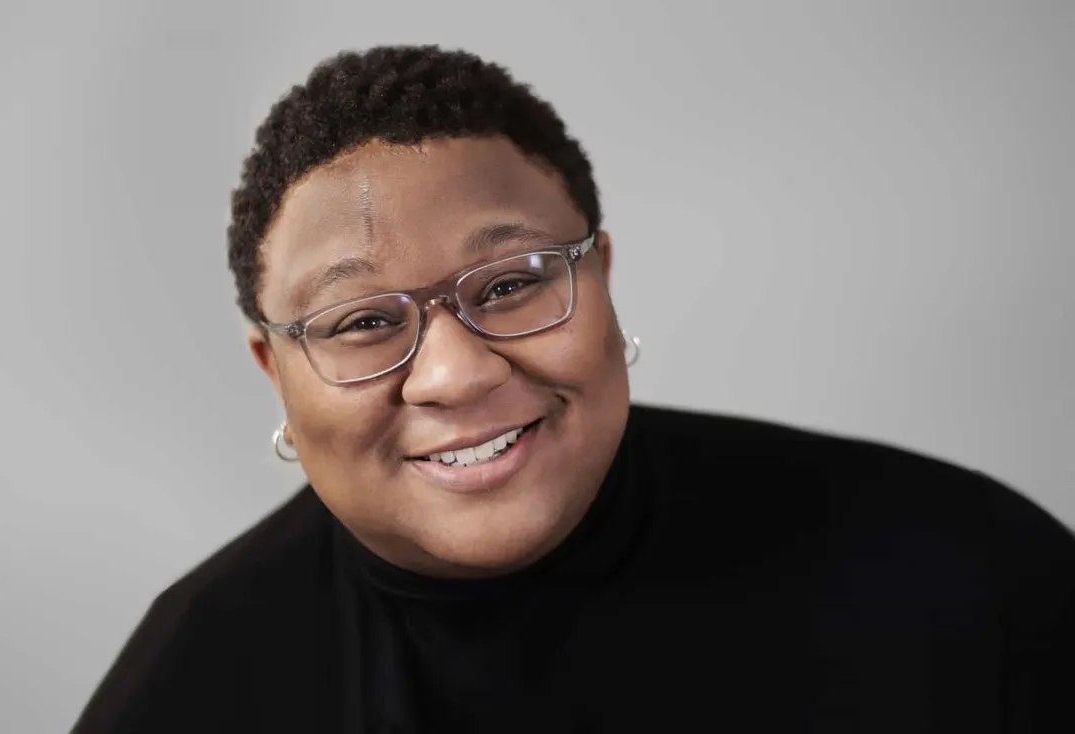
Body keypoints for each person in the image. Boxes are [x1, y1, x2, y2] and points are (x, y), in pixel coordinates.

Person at [71, 45, 1074, 733]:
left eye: (509, 284)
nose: (457, 371)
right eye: (364, 321)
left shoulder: (965, 575)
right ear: (274, 375)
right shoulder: (194, 688)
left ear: (597, 278)